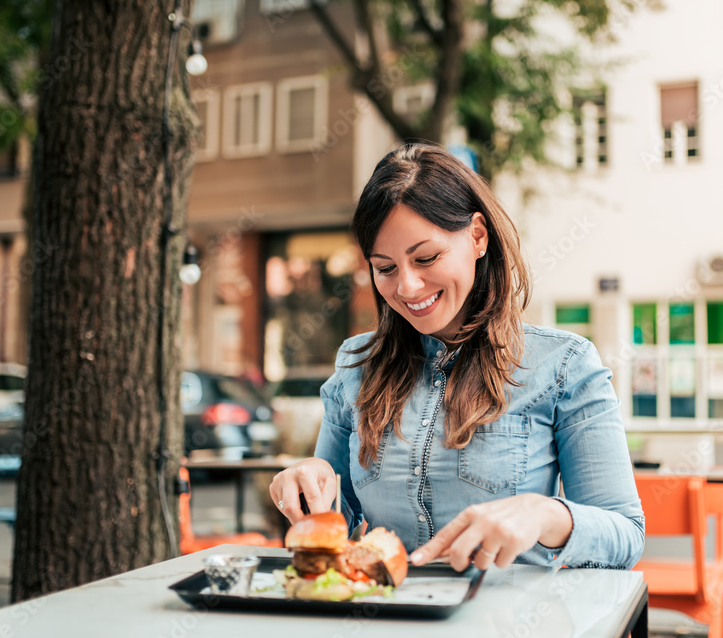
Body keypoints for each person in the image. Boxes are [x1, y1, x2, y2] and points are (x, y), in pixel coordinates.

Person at [270, 143, 644, 571]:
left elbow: (625, 535)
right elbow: (335, 518)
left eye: (426, 258)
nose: (407, 287)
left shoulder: (564, 364)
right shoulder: (356, 364)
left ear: (478, 236)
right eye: (385, 268)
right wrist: (308, 485)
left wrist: (546, 514)